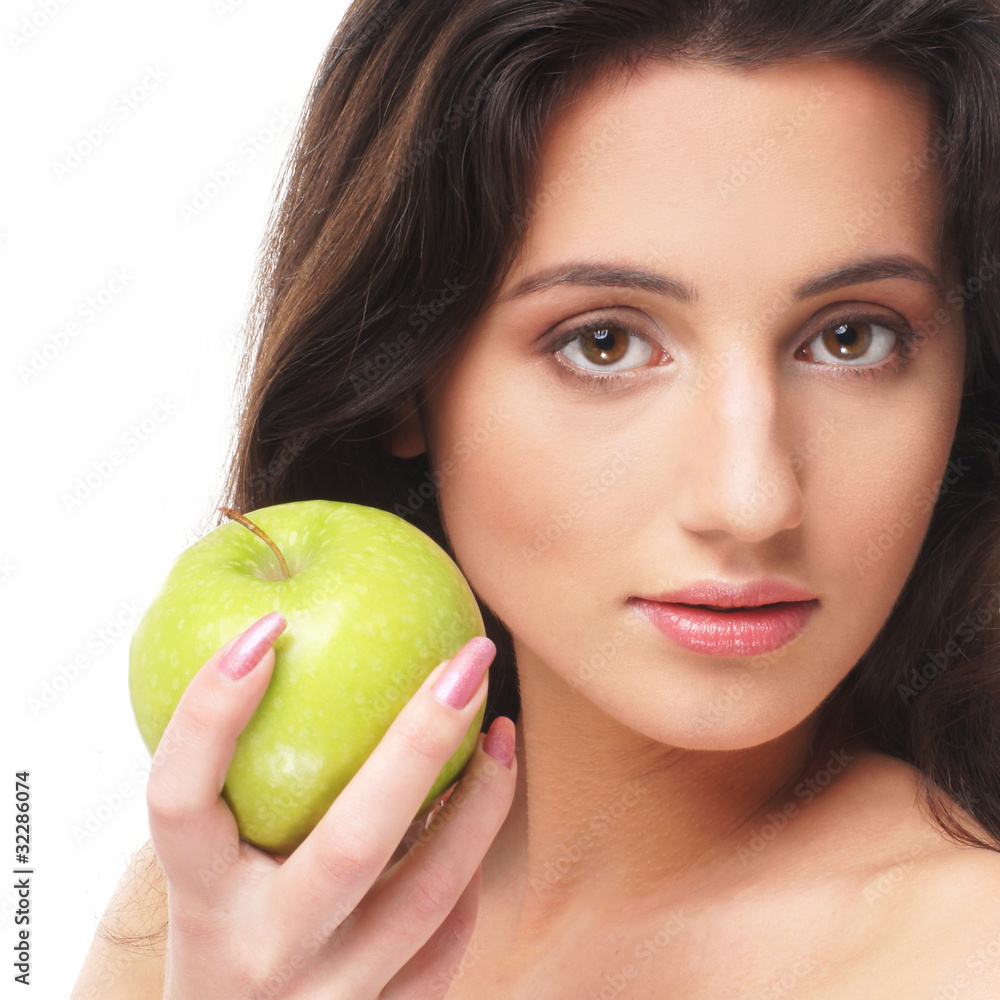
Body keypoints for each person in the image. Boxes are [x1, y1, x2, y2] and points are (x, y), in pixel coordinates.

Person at [73, 0, 1000, 996]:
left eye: (851, 337)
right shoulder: (231, 915)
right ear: (400, 379)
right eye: (603, 342)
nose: (751, 499)